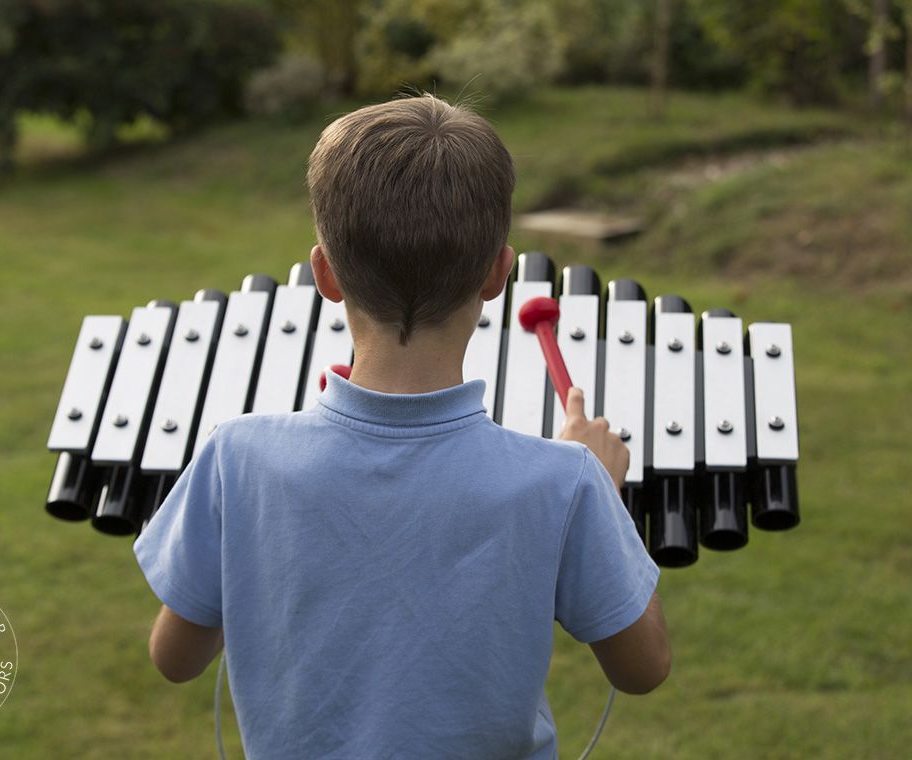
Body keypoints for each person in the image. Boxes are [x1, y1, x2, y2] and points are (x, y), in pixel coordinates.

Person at [133, 94, 670, 759]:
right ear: (498, 274)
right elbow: (643, 669)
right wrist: (604, 491)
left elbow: (175, 658)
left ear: (324, 273)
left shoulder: (239, 457)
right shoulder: (565, 483)